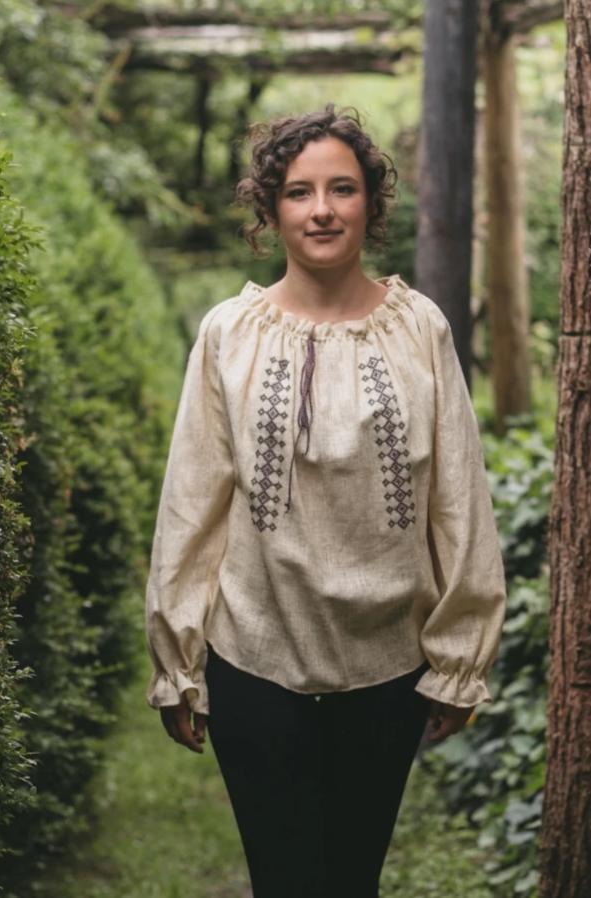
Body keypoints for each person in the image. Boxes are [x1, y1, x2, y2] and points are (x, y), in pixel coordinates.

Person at [144, 103, 506, 898]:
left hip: (387, 665)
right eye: (300, 191)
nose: (321, 209)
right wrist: (180, 661)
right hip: (254, 658)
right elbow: (191, 505)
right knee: (282, 880)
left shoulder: (421, 331)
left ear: (371, 205)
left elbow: (458, 502)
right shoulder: (227, 334)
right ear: (269, 208)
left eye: (341, 189)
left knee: (350, 881)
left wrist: (457, 657)